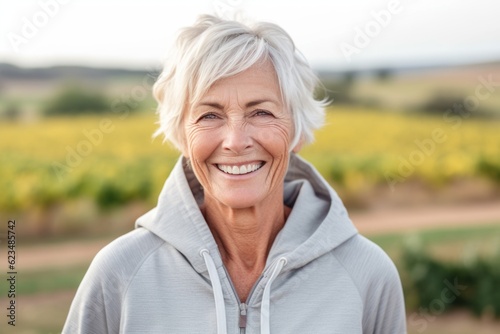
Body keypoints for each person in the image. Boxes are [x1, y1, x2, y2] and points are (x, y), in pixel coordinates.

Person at [63, 14, 406, 334]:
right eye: (209, 116)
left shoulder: (367, 275)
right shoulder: (120, 273)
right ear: (181, 135)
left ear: (297, 131)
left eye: (260, 112)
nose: (235, 141)